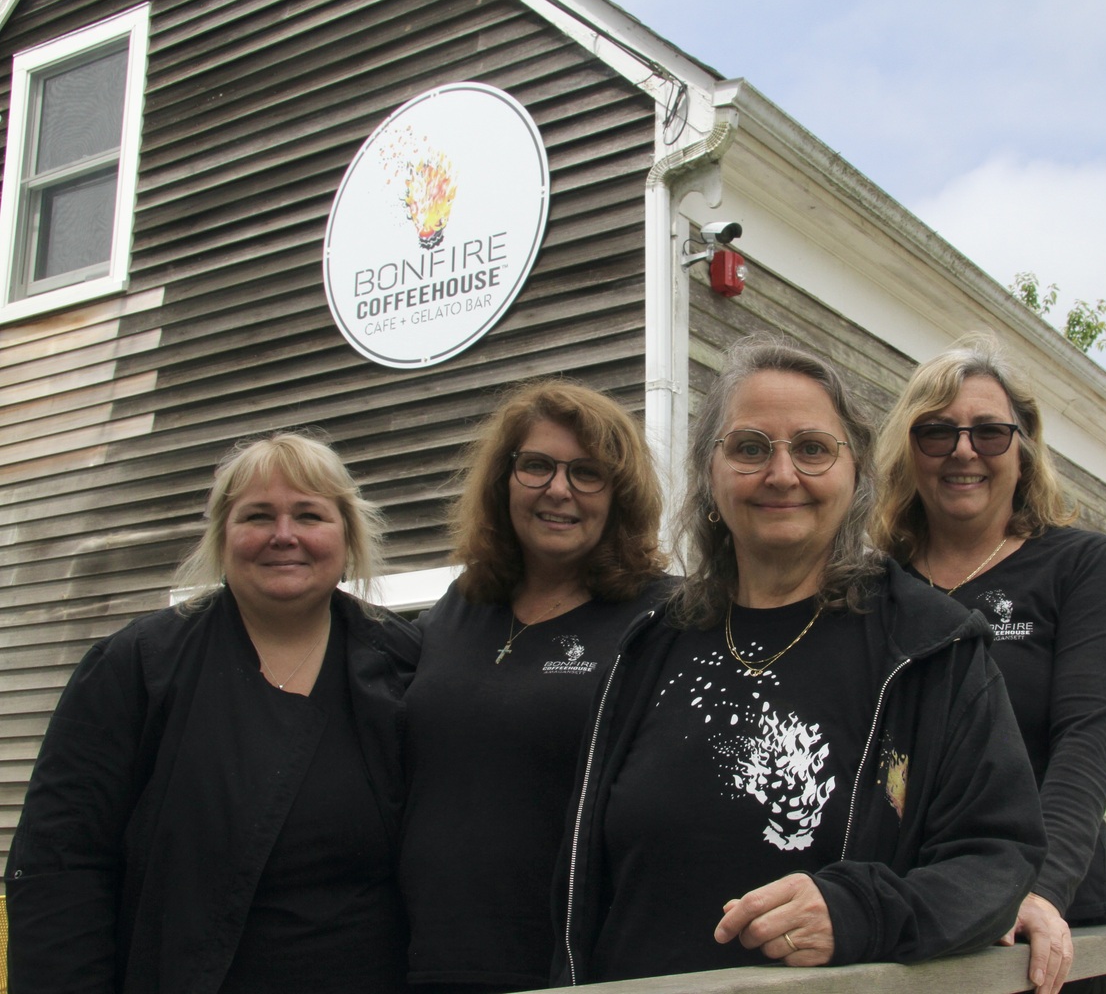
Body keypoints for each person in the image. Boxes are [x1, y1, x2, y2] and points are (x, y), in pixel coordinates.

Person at [554, 337, 1047, 986]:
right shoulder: (648, 646)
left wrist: (858, 912)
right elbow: (583, 882)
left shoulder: (932, 649)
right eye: (750, 448)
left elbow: (997, 858)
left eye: (812, 449)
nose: (781, 475)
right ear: (709, 474)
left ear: (856, 474)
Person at [6, 432, 420, 993]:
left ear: (347, 535)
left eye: (309, 515)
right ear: (222, 536)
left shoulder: (403, 659)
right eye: (256, 516)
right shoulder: (139, 666)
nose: (283, 535)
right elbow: (60, 862)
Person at [872, 332, 1106, 994]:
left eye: (990, 433)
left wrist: (1035, 890)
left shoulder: (1082, 566)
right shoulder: (874, 588)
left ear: (1023, 450)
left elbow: (1088, 744)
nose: (964, 450)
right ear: (910, 453)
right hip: (914, 922)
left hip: (1042, 927)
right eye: (937, 433)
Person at [401, 380, 670, 993]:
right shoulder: (459, 607)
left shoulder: (661, 620)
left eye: (587, 473)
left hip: (574, 968)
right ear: (504, 480)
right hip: (426, 958)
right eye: (537, 466)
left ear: (620, 496)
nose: (558, 489)